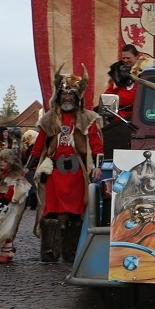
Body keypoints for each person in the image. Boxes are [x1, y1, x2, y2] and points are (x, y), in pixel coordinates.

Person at [27, 66, 103, 262]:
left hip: (77, 172)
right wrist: (30, 165)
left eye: (71, 95)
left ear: (78, 97)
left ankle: (71, 251)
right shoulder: (49, 119)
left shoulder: (88, 119)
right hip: (53, 172)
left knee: (75, 213)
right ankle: (50, 250)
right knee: (50, 211)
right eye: (64, 94)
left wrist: (97, 166)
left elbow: (97, 145)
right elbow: (38, 144)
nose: (67, 98)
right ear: (58, 97)